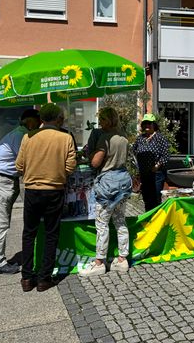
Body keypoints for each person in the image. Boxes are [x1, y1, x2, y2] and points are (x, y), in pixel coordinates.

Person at [16, 103, 76, 292]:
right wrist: (57, 173)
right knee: (51, 234)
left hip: (32, 190)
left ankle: (26, 278)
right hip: (55, 190)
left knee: (29, 233)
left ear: (41, 119)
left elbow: (18, 166)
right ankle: (44, 279)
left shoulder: (28, 137)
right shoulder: (65, 138)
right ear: (58, 119)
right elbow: (70, 166)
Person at [0, 108, 40, 274]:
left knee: (1, 222)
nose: (39, 127)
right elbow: (25, 162)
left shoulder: (18, 133)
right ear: (30, 122)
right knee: (0, 223)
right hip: (1, 181)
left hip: (2, 179)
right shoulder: (21, 136)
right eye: (37, 123)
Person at [80, 107, 132, 277]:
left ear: (109, 120)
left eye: (102, 119)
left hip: (108, 183)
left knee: (102, 224)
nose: (100, 123)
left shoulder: (105, 138)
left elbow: (95, 163)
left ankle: (99, 262)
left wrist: (92, 152)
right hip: (123, 180)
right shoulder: (123, 137)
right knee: (120, 221)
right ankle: (123, 259)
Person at [132, 113, 170, 212]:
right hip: (144, 173)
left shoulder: (160, 138)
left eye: (149, 123)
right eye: (145, 123)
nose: (147, 126)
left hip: (156, 174)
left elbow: (166, 155)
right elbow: (133, 151)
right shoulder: (141, 138)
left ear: (154, 125)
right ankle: (148, 220)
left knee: (156, 198)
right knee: (146, 198)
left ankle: (157, 221)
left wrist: (157, 165)